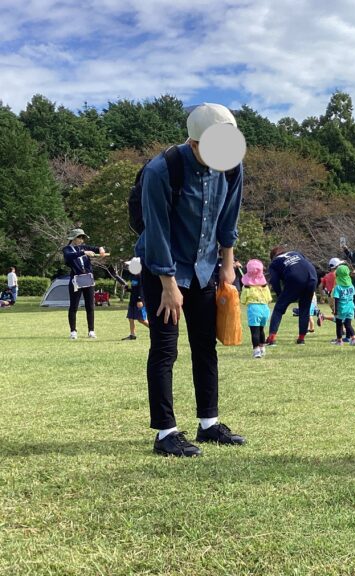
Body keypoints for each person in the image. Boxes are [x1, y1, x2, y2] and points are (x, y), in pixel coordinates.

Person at [136, 103, 246, 457]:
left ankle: (208, 424)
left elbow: (229, 219)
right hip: (161, 267)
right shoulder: (161, 170)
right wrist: (169, 286)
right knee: (165, 349)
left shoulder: (231, 167)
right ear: (193, 142)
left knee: (205, 346)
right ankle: (165, 433)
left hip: (204, 270)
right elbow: (157, 230)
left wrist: (227, 266)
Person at [266, 247, 318, 345]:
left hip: (295, 277)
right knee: (305, 308)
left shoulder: (274, 263)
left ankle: (272, 337)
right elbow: (303, 263)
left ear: (273, 256)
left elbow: (275, 281)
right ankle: (301, 338)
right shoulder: (295, 252)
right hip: (312, 275)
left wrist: (279, 295)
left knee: (278, 309)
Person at [63, 228, 106, 340]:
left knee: (90, 305)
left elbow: (97, 248)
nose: (82, 240)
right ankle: (73, 331)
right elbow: (69, 256)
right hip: (76, 280)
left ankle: (91, 331)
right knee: (74, 306)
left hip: (88, 278)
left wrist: (101, 250)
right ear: (74, 238)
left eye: (83, 237)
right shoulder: (67, 249)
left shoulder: (84, 247)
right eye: (80, 237)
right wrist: (83, 253)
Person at [240, 259, 272, 358]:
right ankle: (262, 348)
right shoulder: (265, 286)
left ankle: (256, 350)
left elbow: (243, 300)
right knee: (261, 330)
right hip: (265, 309)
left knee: (254, 332)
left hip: (254, 309)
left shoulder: (247, 287)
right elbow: (269, 299)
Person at [331, 264, 355, 346]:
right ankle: (354, 339)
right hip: (350, 307)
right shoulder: (351, 286)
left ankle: (339, 341)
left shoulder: (338, 287)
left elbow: (336, 299)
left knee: (339, 325)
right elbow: (352, 296)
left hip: (341, 308)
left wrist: (335, 310)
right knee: (348, 324)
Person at [123, 270, 149, 340]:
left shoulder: (141, 276)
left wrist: (140, 300)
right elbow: (135, 289)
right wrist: (127, 289)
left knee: (141, 320)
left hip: (140, 301)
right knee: (130, 318)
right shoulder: (133, 276)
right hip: (132, 301)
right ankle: (132, 335)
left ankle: (156, 330)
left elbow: (141, 289)